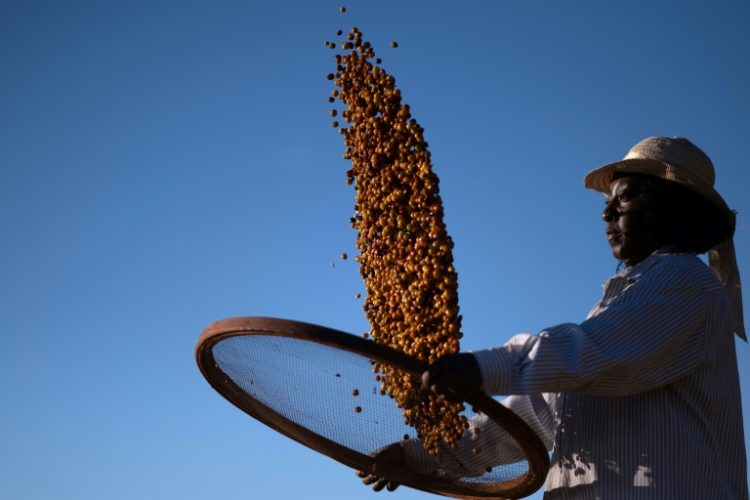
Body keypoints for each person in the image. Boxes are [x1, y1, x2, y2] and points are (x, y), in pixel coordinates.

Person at [359, 136, 748, 498]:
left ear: (671, 209)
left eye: (625, 199)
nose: (606, 213)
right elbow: (537, 416)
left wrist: (483, 367)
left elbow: (592, 354)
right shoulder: (618, 304)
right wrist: (419, 457)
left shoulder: (684, 281)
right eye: (607, 201)